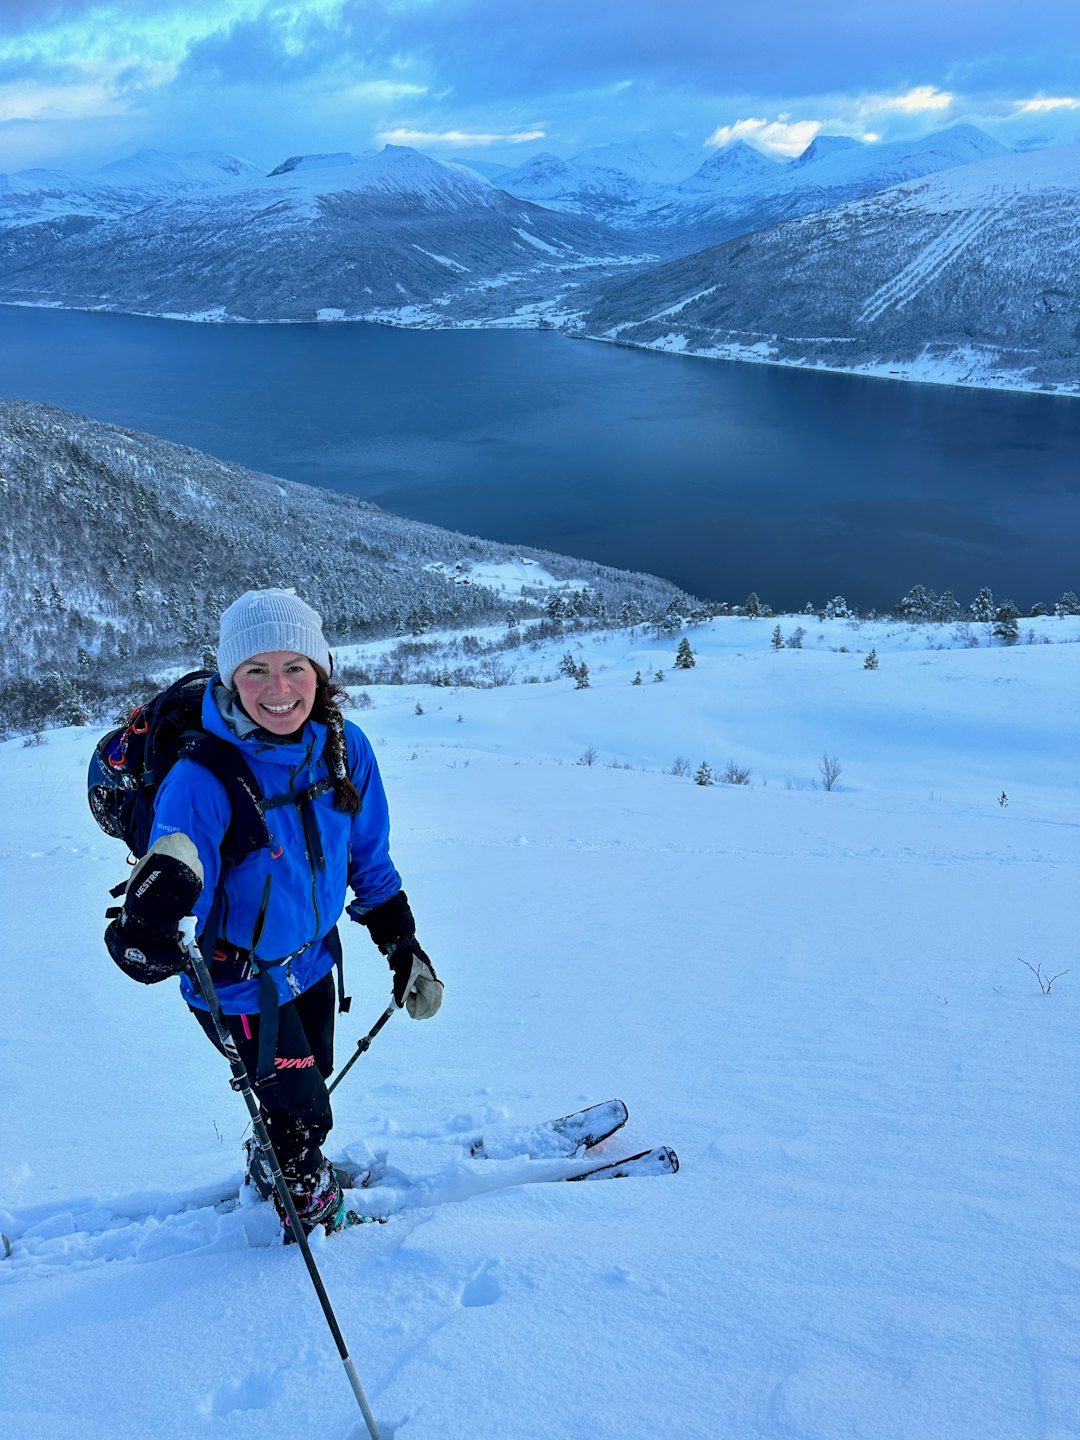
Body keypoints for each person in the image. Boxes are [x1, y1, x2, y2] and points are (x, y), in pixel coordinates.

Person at [105, 588, 442, 1238]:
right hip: (239, 985)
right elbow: (179, 900)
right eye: (256, 669)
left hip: (314, 962)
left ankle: (276, 1166)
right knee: (300, 1113)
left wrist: (403, 946)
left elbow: (369, 860)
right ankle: (309, 1206)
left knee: (305, 1085)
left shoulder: (345, 751)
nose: (279, 688)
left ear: (321, 671)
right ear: (231, 676)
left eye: (296, 667)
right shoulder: (203, 778)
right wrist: (149, 930)